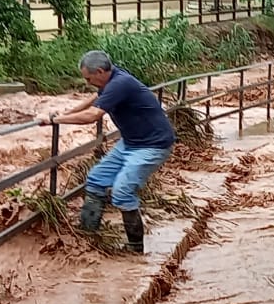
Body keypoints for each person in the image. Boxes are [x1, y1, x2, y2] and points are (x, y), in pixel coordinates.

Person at [43, 50, 176, 254]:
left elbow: (93, 115)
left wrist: (55, 120)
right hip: (131, 142)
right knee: (96, 179)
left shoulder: (120, 84)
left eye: (88, 78)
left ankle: (134, 248)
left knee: (122, 191)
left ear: (99, 71)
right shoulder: (111, 80)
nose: (87, 82)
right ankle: (88, 236)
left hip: (152, 145)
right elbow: (94, 99)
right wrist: (66, 113)